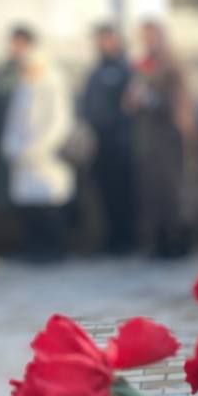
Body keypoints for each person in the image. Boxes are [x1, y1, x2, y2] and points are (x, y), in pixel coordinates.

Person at [125, 20, 197, 259]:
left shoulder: (171, 64)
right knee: (152, 192)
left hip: (170, 136)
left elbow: (178, 101)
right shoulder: (143, 66)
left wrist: (152, 99)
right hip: (149, 139)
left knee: (173, 191)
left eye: (151, 36)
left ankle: (177, 241)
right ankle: (158, 241)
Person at [0, 47, 75, 263]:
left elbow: (60, 123)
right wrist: (12, 146)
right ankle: (34, 247)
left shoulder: (54, 87)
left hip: (47, 158)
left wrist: (39, 148)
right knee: (29, 208)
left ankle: (54, 249)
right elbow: (13, 122)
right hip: (23, 158)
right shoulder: (23, 89)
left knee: (50, 207)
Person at [82, 24, 134, 254]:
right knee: (105, 194)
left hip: (121, 142)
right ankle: (111, 238)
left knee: (124, 193)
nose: (102, 44)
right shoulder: (95, 71)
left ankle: (126, 239)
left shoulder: (125, 69)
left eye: (106, 39)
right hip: (100, 142)